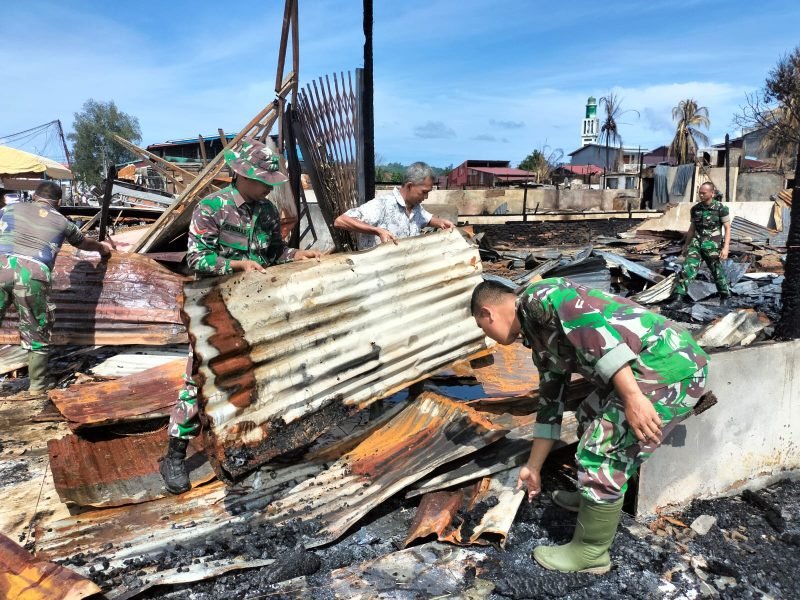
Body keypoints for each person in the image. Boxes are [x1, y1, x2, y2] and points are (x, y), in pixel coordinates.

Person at [471, 277, 709, 574]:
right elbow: (550, 405)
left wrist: (633, 397)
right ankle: (591, 494)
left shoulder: (541, 298)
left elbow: (599, 339)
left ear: (486, 313)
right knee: (587, 413)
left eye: (483, 329)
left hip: (668, 366)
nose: (489, 336)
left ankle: (591, 552)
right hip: (646, 368)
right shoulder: (539, 338)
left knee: (600, 452)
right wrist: (533, 467)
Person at [160, 138, 321, 494]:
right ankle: (174, 454)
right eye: (262, 179)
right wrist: (235, 264)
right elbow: (195, 259)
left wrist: (297, 255)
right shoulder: (211, 207)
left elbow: (274, 252)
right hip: (214, 308)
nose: (267, 186)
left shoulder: (266, 212)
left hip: (255, 307)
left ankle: (244, 446)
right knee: (198, 379)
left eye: (269, 181)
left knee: (254, 378)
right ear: (240, 174)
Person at [0, 181, 113, 396]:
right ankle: (38, 387)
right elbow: (83, 243)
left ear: (34, 196)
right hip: (33, 273)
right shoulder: (63, 222)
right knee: (36, 330)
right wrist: (103, 250)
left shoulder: (8, 209)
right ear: (58, 202)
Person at [333, 162, 454, 249]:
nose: (426, 197)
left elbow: (427, 219)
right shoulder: (383, 204)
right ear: (409, 186)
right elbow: (341, 221)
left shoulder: (416, 208)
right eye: (424, 192)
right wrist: (377, 231)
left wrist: (442, 222)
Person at [671, 182, 731, 307]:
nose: (701, 195)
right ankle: (678, 298)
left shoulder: (721, 208)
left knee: (717, 272)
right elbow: (692, 228)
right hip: (696, 244)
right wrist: (686, 245)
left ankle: (724, 296)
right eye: (700, 193)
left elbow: (727, 228)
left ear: (712, 193)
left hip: (712, 246)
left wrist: (725, 248)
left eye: (704, 193)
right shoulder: (695, 209)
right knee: (687, 269)